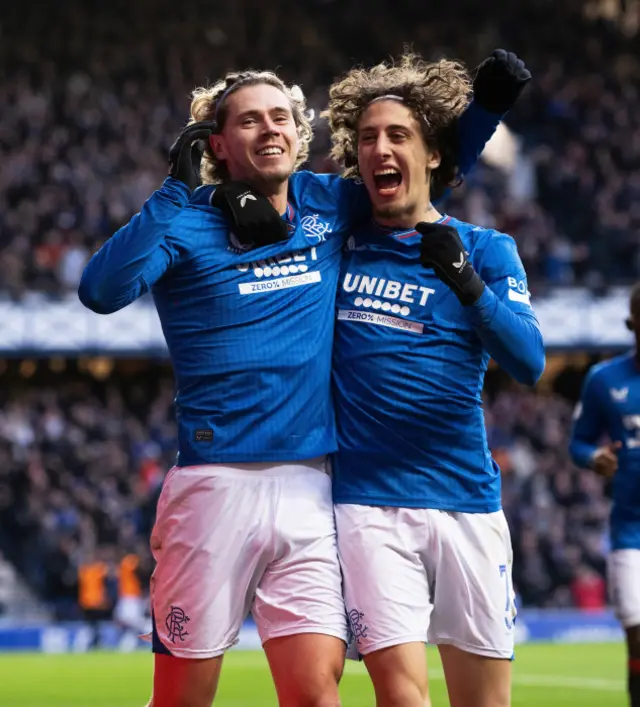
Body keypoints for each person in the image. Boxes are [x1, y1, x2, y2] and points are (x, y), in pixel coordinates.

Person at [79, 54, 526, 707]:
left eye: (281, 117)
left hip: (313, 489)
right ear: (218, 144)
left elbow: (414, 188)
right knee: (183, 698)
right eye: (250, 121)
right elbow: (100, 290)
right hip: (213, 484)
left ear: (298, 131)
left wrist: (484, 113)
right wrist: (175, 191)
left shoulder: (328, 202)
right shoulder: (186, 222)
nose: (270, 129)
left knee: (317, 695)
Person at [324, 52, 544, 707]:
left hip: (466, 501)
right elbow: (415, 172)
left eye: (396, 137)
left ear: (434, 155)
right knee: (402, 697)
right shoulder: (342, 234)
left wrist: (467, 284)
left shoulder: (485, 250)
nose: (379, 150)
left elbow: (529, 361)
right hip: (368, 504)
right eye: (366, 139)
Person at [570, 282, 640, 707]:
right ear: (633, 325)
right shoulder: (605, 380)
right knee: (638, 637)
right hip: (631, 531)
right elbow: (577, 443)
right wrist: (594, 456)